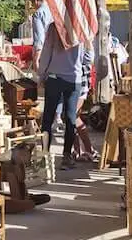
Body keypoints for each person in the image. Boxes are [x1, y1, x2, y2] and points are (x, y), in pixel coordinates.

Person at [38, 24, 90, 170]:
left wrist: (41, 75)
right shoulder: (80, 26)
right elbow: (88, 57)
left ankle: (45, 154)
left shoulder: (54, 28)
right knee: (71, 118)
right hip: (74, 78)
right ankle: (66, 156)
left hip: (54, 77)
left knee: (48, 118)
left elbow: (46, 54)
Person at [28, 0, 63, 130]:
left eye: (32, 3)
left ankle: (49, 118)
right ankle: (58, 116)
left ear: (36, 1)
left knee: (48, 85)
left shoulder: (38, 14)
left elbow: (39, 38)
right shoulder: (54, 10)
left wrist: (36, 58)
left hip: (47, 52)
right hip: (60, 51)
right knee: (59, 84)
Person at [72, 46, 99, 162]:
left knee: (72, 116)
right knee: (72, 117)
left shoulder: (83, 38)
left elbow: (89, 58)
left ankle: (87, 149)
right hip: (74, 79)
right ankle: (80, 150)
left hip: (79, 79)